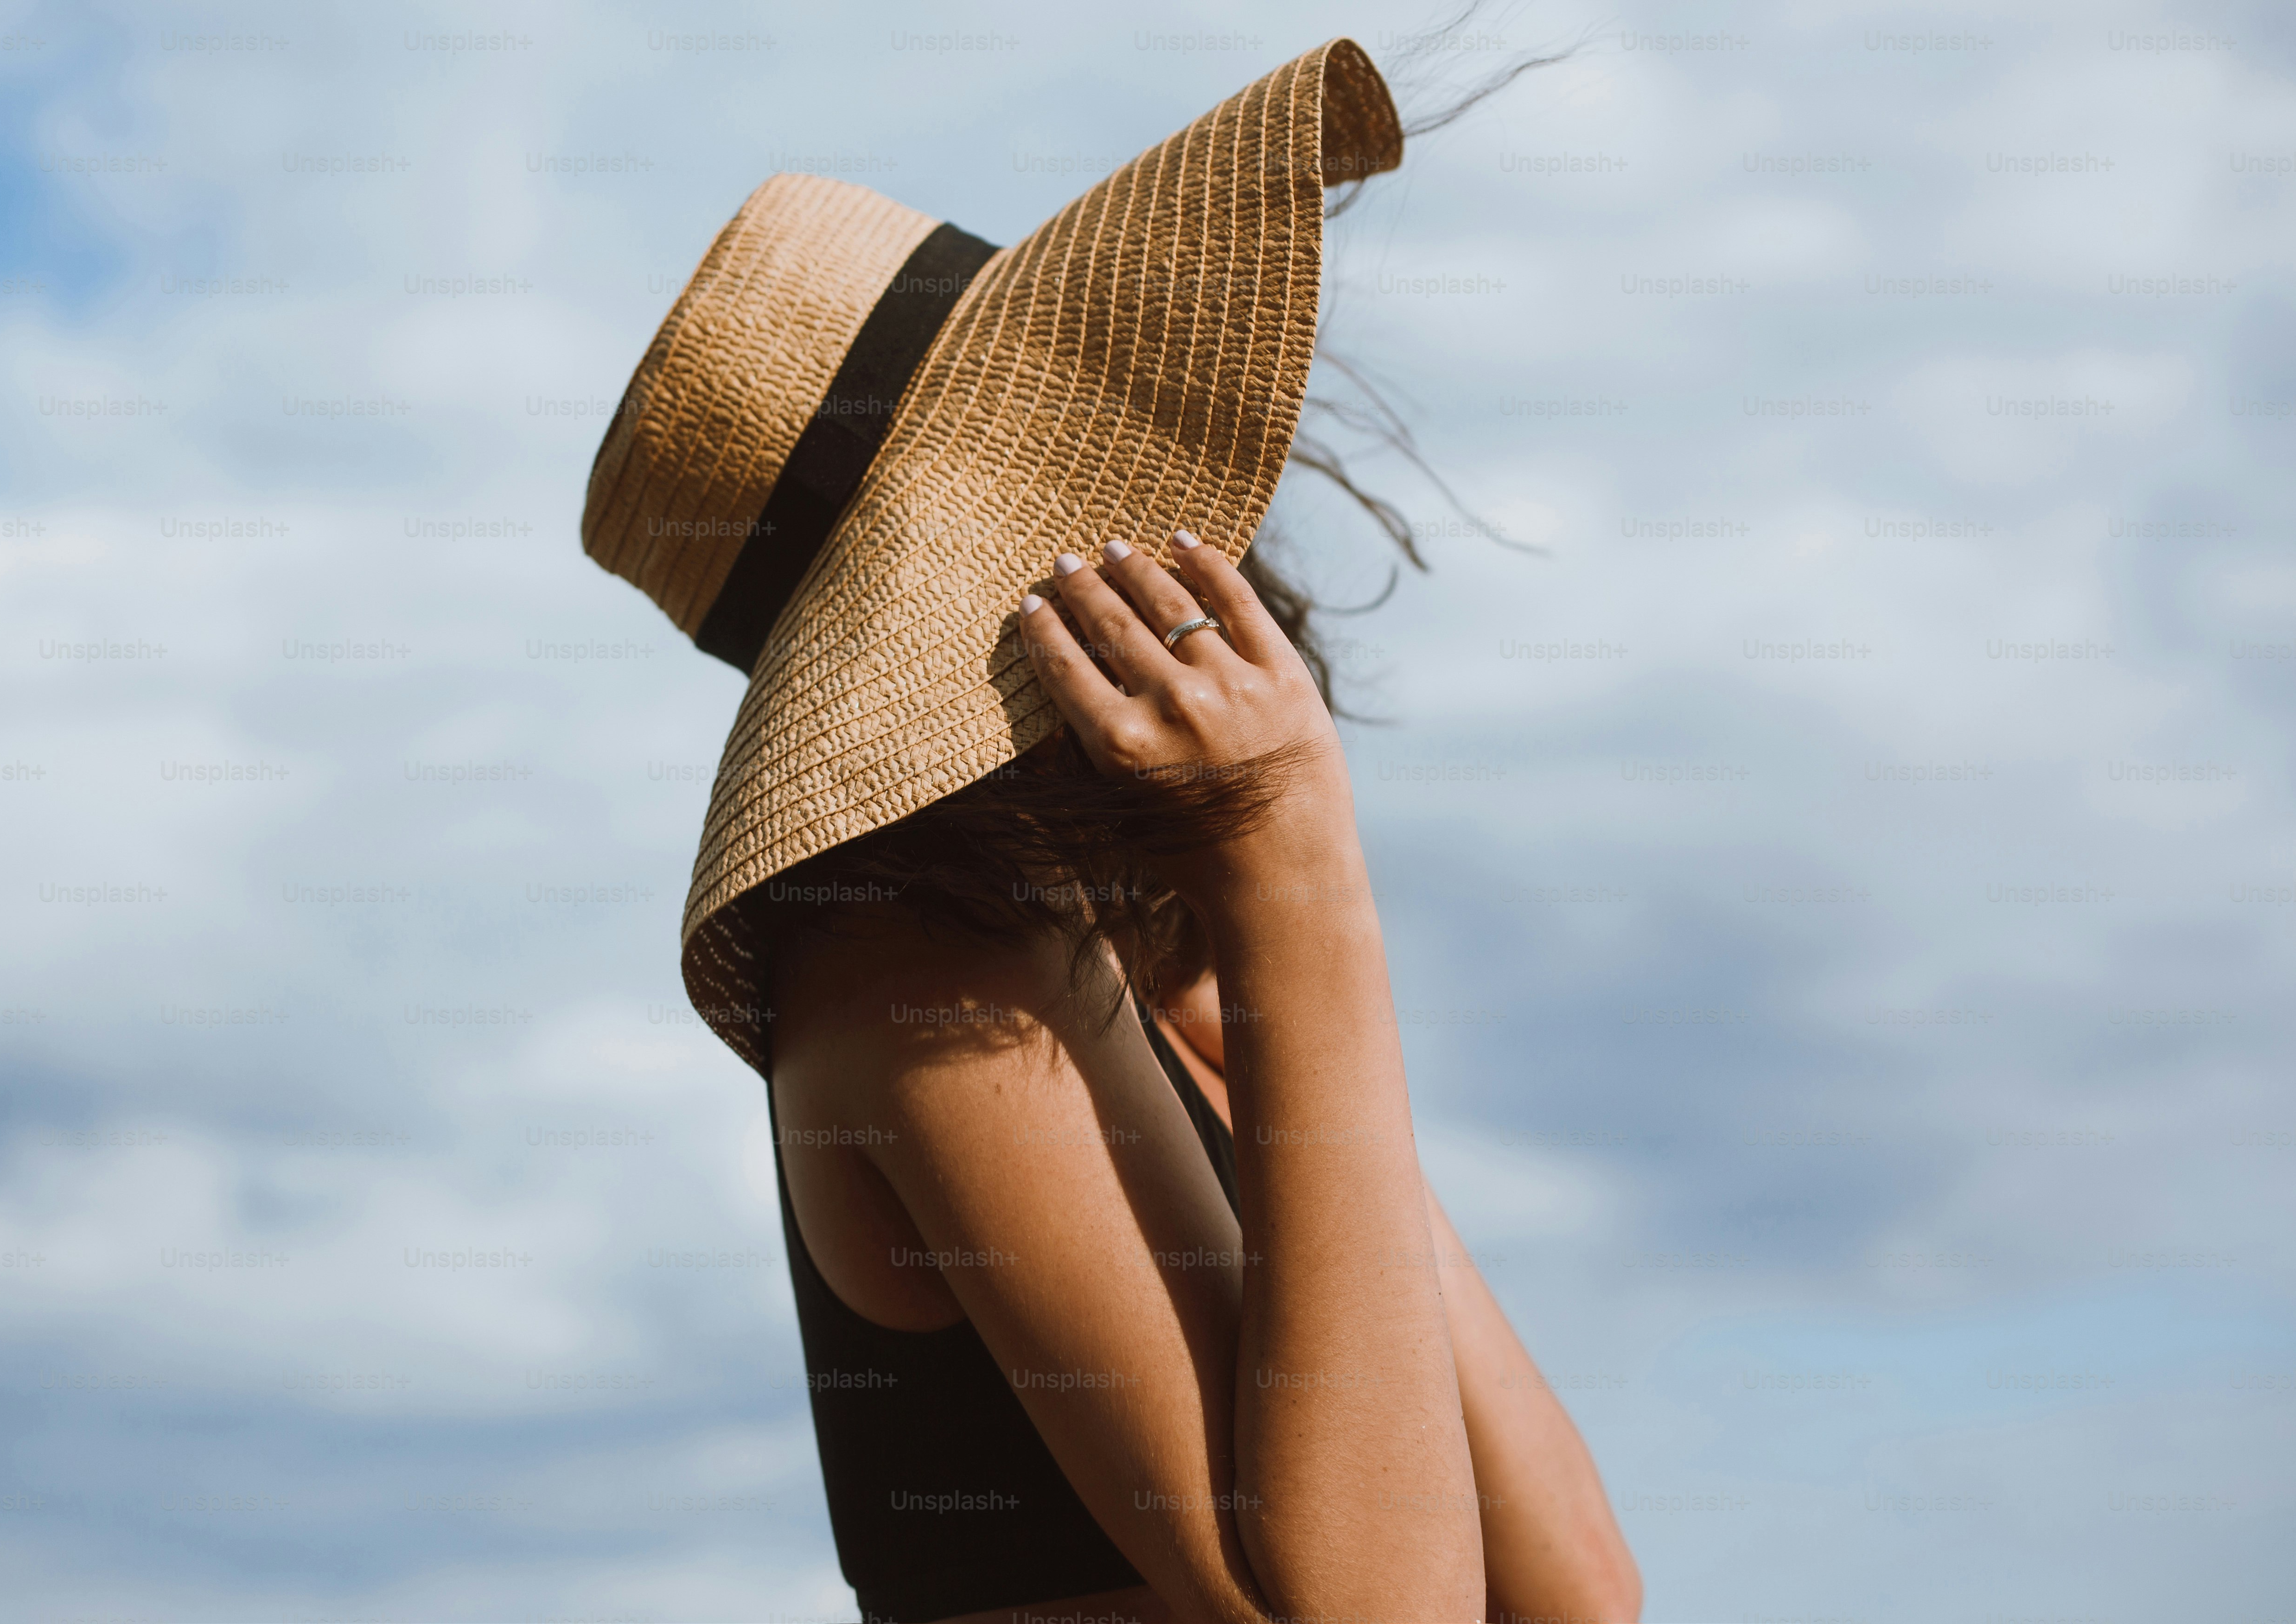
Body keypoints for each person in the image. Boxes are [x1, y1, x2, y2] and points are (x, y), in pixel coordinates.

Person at [580, 35, 1638, 1624]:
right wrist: (1296, 867)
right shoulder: (913, 980)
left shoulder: (1131, 981)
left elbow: (1580, 1590)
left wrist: (1242, 982)